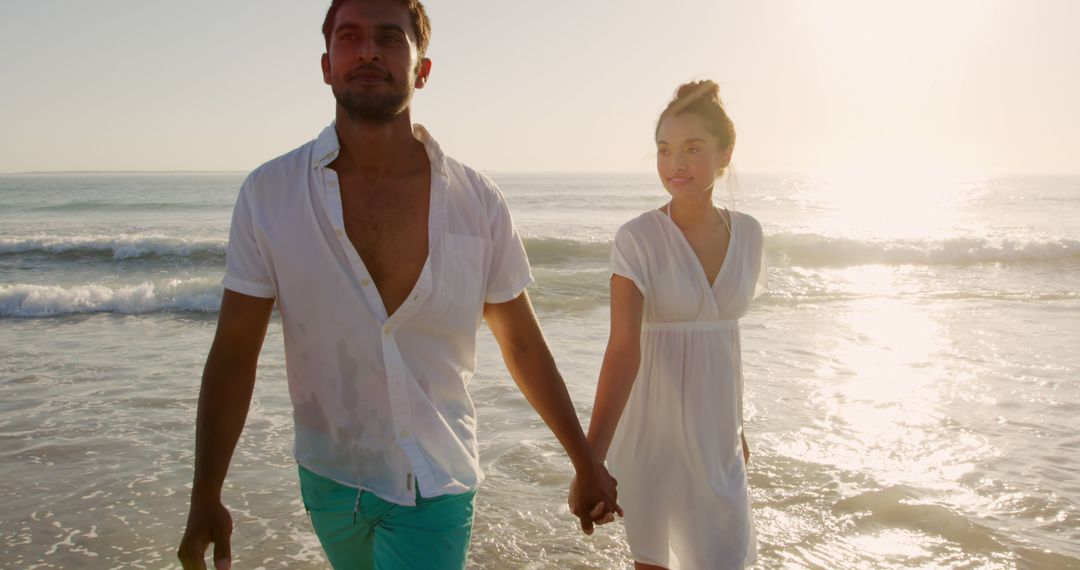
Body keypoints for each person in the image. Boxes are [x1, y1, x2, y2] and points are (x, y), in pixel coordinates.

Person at [176, 1, 619, 568]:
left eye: (389, 38)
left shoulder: (477, 201)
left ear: (423, 69)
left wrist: (583, 461)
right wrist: (205, 494)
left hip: (436, 477)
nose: (367, 51)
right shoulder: (269, 195)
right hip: (330, 477)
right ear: (326, 64)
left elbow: (522, 343)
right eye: (350, 37)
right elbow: (235, 352)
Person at [578, 80, 766, 569]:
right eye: (664, 150)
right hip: (652, 436)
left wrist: (737, 431)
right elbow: (623, 351)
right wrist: (590, 460)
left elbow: (726, 343)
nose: (674, 164)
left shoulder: (749, 234)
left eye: (692, 149)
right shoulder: (637, 238)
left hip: (717, 440)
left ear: (725, 154)